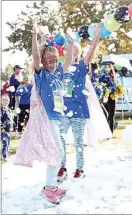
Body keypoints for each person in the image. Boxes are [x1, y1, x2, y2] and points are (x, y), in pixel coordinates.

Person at [57, 24, 101, 182]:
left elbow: (91, 52)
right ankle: (61, 168)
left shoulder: (82, 66)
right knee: (60, 139)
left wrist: (96, 36)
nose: (72, 51)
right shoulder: (61, 68)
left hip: (79, 110)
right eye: (70, 49)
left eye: (75, 49)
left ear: (78, 52)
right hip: (63, 110)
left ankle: (80, 169)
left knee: (77, 141)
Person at [99, 64, 117, 133]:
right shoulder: (103, 75)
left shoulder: (113, 76)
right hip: (105, 97)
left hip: (112, 97)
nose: (107, 68)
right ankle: (106, 132)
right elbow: (100, 85)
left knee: (112, 116)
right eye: (106, 67)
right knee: (107, 115)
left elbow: (115, 86)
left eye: (108, 67)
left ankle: (111, 133)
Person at [9, 65, 22, 132]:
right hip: (15, 96)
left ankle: (18, 126)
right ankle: (14, 127)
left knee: (19, 111)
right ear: (15, 69)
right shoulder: (12, 77)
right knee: (16, 111)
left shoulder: (19, 77)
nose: (19, 70)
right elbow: (11, 88)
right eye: (18, 69)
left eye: (20, 69)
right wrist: (12, 98)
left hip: (20, 96)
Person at [1, 94, 11, 161]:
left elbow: (9, 119)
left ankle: (5, 153)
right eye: (4, 100)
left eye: (7, 100)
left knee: (8, 142)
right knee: (5, 141)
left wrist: (14, 126)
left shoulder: (7, 109)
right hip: (3, 130)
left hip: (8, 129)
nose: (6, 101)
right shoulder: (1, 110)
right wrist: (1, 128)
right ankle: (4, 156)